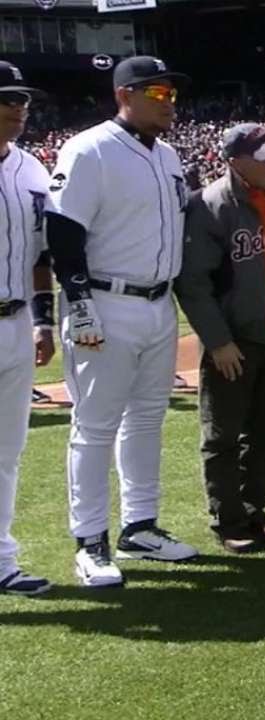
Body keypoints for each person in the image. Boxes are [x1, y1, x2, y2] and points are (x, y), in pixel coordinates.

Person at [45, 56, 198, 587]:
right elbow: (63, 231)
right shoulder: (90, 148)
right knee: (94, 426)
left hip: (158, 304)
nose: (169, 103)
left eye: (172, 95)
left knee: (148, 420)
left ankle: (140, 526)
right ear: (125, 95)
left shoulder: (171, 155)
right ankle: (90, 542)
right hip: (106, 301)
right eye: (158, 94)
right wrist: (79, 302)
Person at [174, 123, 265, 554]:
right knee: (224, 435)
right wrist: (218, 341)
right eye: (264, 156)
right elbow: (193, 284)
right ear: (235, 161)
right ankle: (228, 520)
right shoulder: (211, 205)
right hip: (235, 342)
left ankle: (254, 510)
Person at [0, 61, 54, 595]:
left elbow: (41, 253)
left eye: (23, 99)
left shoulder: (33, 169)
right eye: (7, 99)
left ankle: (0, 559)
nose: (18, 109)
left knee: (7, 450)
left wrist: (44, 320)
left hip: (16, 322)